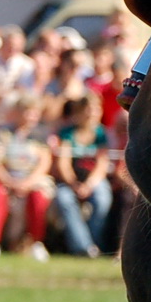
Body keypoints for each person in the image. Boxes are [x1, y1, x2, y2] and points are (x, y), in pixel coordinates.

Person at [0, 95, 53, 258]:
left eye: (35, 113)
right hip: (6, 178)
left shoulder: (41, 134)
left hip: (32, 180)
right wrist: (10, 182)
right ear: (16, 112)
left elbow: (44, 162)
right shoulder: (2, 133)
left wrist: (27, 183)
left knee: (38, 196)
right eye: (27, 112)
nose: (31, 117)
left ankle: (37, 243)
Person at [52, 93, 112, 256]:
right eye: (89, 109)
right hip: (70, 181)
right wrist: (73, 184)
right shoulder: (67, 133)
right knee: (64, 199)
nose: (93, 113)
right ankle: (83, 247)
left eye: (96, 109)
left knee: (102, 198)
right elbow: (63, 163)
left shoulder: (101, 134)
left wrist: (89, 185)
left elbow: (102, 164)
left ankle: (94, 243)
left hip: (93, 181)